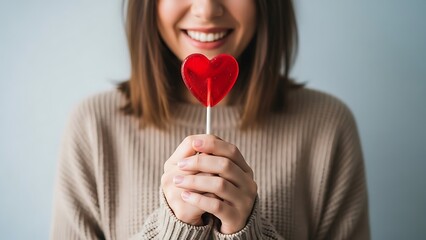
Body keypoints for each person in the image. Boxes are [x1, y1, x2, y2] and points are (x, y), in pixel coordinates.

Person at [50, 0, 370, 239]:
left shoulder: (327, 126)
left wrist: (248, 232)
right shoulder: (93, 127)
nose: (206, 9)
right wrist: (175, 229)